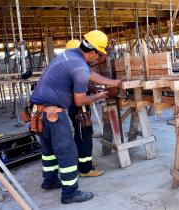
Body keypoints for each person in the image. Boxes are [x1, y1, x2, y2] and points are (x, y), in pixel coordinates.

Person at [30, 30, 121, 204]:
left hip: (38, 112)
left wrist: (112, 83)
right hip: (53, 114)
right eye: (99, 54)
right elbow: (80, 101)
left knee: (49, 151)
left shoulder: (71, 54)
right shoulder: (79, 67)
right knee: (68, 153)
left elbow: (89, 73)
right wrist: (99, 96)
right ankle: (70, 193)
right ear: (93, 51)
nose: (99, 58)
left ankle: (49, 181)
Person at [66, 39, 104, 177]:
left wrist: (92, 89)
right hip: (79, 108)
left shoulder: (70, 66)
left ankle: (83, 164)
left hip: (75, 107)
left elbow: (85, 83)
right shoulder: (77, 67)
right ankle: (85, 169)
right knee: (85, 136)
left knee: (80, 135)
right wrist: (97, 96)